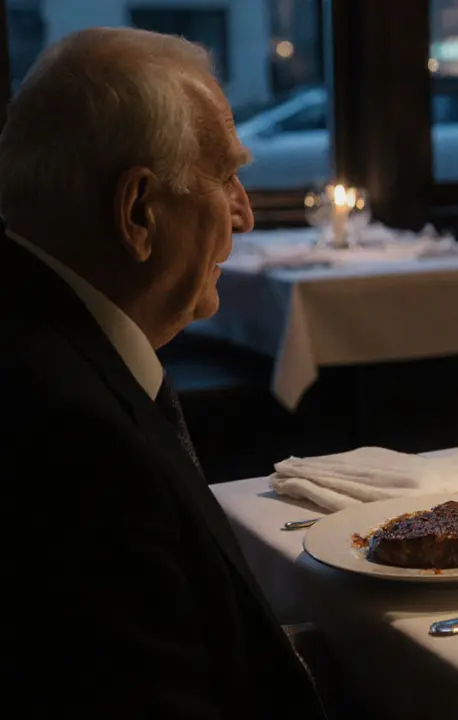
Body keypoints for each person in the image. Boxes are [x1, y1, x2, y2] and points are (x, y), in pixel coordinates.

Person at [0, 28, 325, 718]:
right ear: (139, 211)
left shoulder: (44, 338)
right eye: (226, 176)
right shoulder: (75, 440)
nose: (243, 211)